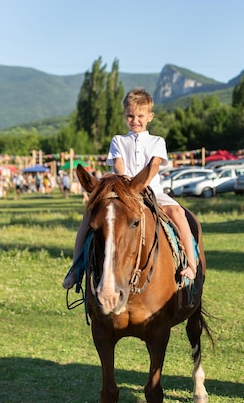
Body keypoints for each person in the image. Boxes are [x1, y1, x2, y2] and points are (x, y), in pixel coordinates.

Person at [62, 88, 197, 289]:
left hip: (152, 191)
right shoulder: (118, 140)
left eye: (140, 116)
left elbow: (154, 166)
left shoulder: (157, 141)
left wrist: (140, 183)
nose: (135, 120)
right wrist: (124, 177)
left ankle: (191, 264)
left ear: (150, 116)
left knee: (178, 212)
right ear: (125, 115)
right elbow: (118, 163)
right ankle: (75, 269)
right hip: (123, 191)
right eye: (130, 116)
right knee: (89, 218)